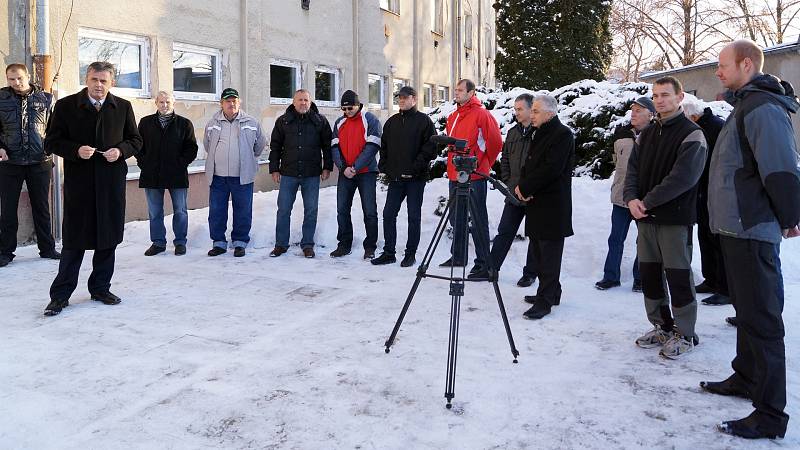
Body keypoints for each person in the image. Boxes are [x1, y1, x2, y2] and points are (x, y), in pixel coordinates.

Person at [700, 40, 799, 440]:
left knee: (762, 321)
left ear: (746, 64)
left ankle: (771, 414)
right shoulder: (745, 104)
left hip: (751, 229)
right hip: (734, 228)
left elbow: (780, 168)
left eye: (723, 65)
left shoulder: (762, 108)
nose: (718, 72)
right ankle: (745, 377)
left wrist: (791, 215)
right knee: (746, 313)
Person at [43, 61, 143, 316]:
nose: (99, 85)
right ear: (86, 80)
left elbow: (136, 140)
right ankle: (60, 295)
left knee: (107, 240)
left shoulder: (122, 107)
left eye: (104, 81)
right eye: (94, 80)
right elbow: (52, 141)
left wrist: (120, 151)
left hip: (110, 184)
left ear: (112, 83)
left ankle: (100, 288)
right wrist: (75, 150)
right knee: (74, 242)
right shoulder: (66, 106)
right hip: (81, 185)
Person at [623, 76, 707, 359]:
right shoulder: (647, 133)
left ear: (679, 97)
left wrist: (645, 201)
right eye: (656, 95)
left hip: (673, 219)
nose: (659, 100)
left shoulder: (691, 133)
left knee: (678, 276)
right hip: (645, 218)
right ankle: (661, 325)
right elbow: (632, 171)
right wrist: (631, 199)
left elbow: (682, 178)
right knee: (650, 276)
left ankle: (685, 333)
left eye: (665, 95)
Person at [514, 94, 574, 320]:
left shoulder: (562, 135)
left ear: (550, 113)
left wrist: (526, 187)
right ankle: (552, 292)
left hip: (552, 206)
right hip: (537, 203)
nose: (531, 114)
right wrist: (523, 187)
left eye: (536, 111)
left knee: (549, 256)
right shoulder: (540, 133)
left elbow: (551, 169)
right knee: (539, 252)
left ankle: (545, 300)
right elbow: (530, 164)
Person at [0, 63, 60, 267]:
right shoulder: (1, 98)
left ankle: (47, 248)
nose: (16, 83)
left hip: (39, 162)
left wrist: (48, 149)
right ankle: (5, 251)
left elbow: (54, 129)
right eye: (11, 79)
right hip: (10, 162)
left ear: (28, 76)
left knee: (42, 207)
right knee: (8, 209)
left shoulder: (46, 98)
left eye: (19, 78)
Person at [440, 79, 502, 275]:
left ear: (471, 92)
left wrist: (483, 163)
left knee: (477, 219)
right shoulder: (453, 116)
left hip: (474, 175)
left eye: (460, 90)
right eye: (455, 90)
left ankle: (484, 262)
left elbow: (495, 143)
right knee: (456, 217)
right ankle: (458, 256)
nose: (456, 93)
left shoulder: (482, 115)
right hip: (455, 174)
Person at [371, 86, 436, 267]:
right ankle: (389, 253)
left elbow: (430, 148)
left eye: (405, 98)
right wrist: (384, 165)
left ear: (414, 99)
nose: (401, 100)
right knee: (388, 214)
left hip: (416, 179)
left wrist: (416, 167)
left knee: (413, 217)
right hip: (396, 179)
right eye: (399, 98)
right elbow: (384, 147)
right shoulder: (392, 122)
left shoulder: (424, 121)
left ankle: (410, 254)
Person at [595, 97, 655, 292]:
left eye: (639, 110)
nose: (634, 113)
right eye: (633, 110)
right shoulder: (621, 134)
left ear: (651, 114)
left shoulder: (657, 135)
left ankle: (641, 278)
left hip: (644, 200)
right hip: (621, 197)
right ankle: (611, 277)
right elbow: (616, 162)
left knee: (643, 241)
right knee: (615, 239)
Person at [479, 93, 537, 286]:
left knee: (534, 236)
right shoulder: (513, 133)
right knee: (504, 231)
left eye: (520, 109)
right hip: (513, 193)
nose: (517, 113)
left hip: (534, 195)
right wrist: (509, 183)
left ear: (531, 109)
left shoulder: (540, 133)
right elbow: (504, 160)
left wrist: (530, 188)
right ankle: (491, 268)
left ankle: (530, 274)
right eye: (515, 109)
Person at [203, 88, 267, 258]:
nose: (231, 104)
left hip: (242, 176)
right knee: (217, 210)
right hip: (218, 176)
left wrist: (247, 158)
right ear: (221, 104)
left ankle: (240, 242)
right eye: (227, 101)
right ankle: (219, 243)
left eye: (234, 101)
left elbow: (260, 144)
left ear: (239, 102)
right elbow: (208, 145)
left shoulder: (251, 122)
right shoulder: (212, 123)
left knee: (243, 210)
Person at [268, 89, 332, 259]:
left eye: (306, 100)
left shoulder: (320, 121)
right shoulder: (283, 121)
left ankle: (308, 245)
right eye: (300, 100)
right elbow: (275, 146)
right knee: (283, 210)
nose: (303, 103)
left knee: (311, 210)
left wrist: (327, 167)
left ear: (310, 102)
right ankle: (281, 245)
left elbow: (327, 146)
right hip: (288, 173)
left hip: (311, 173)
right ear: (293, 102)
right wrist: (274, 168)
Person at [135, 91, 198, 256]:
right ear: (156, 103)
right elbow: (137, 146)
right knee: (155, 211)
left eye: (167, 102)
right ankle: (158, 243)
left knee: (180, 210)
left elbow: (192, 148)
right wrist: (144, 163)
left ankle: (180, 242)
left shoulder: (184, 124)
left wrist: (180, 163)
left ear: (173, 103)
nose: (164, 105)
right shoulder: (145, 123)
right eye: (161, 102)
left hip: (176, 174)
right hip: (152, 174)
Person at [682, 99, 730, 305]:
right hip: (702, 192)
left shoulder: (716, 128)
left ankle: (725, 288)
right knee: (705, 237)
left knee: (717, 241)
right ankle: (710, 280)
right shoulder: (702, 126)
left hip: (716, 193)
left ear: (693, 117)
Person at [330, 90, 381, 259]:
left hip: (366, 172)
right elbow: (334, 148)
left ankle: (370, 246)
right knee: (342, 210)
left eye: (350, 108)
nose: (347, 112)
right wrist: (344, 167)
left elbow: (372, 147)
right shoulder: (339, 122)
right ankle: (344, 244)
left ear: (358, 105)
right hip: (345, 173)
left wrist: (355, 167)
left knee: (369, 211)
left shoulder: (370, 119)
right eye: (343, 109)